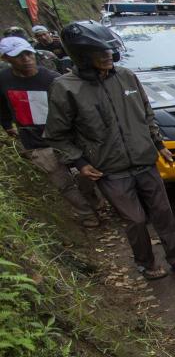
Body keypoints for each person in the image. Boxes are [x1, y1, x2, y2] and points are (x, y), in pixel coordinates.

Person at [45, 21, 175, 280]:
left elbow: (146, 112)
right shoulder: (65, 88)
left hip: (144, 160)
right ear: (82, 56)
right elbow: (57, 135)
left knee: (164, 214)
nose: (109, 56)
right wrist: (81, 162)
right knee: (136, 220)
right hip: (110, 169)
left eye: (110, 51)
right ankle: (146, 264)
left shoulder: (127, 77)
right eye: (101, 52)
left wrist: (159, 143)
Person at [0, 37, 101, 227]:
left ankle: (93, 200)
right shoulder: (3, 79)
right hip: (35, 142)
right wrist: (7, 125)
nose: (27, 59)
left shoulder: (53, 79)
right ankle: (88, 214)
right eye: (19, 56)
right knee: (62, 183)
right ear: (6, 58)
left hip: (65, 138)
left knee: (85, 174)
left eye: (28, 54)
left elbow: (75, 109)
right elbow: (2, 106)